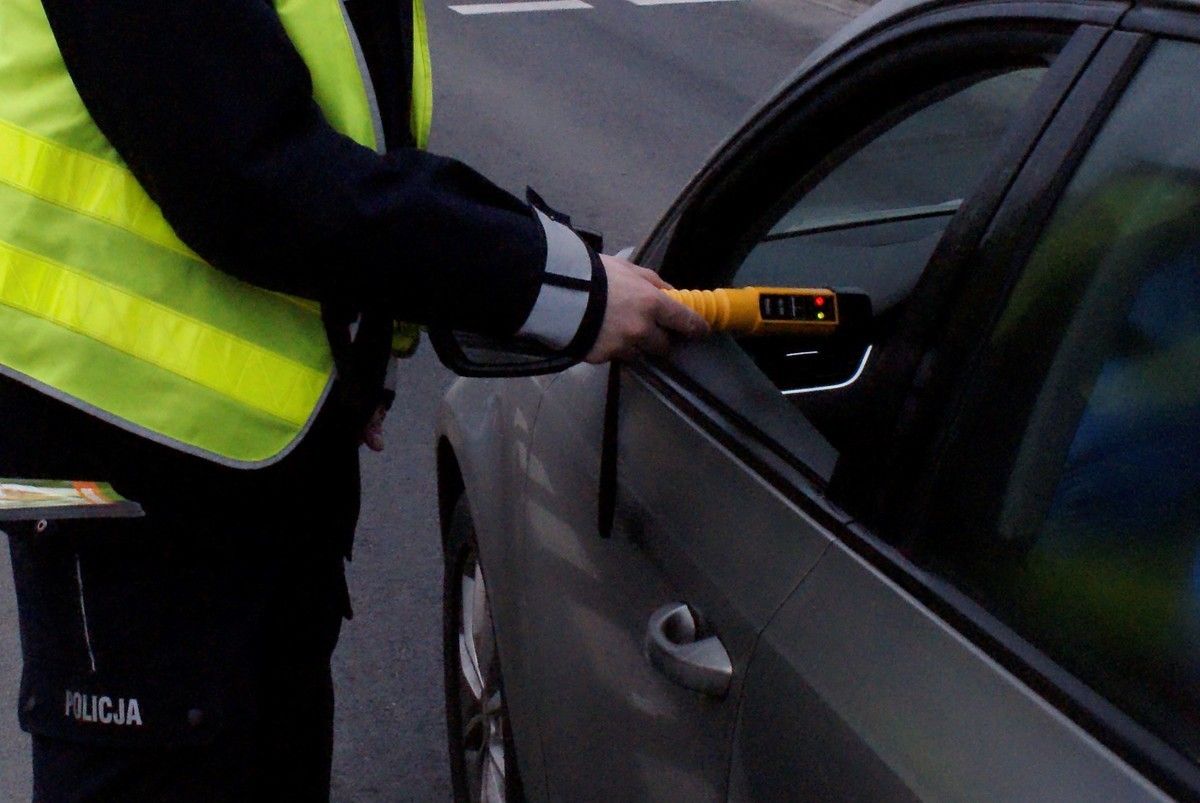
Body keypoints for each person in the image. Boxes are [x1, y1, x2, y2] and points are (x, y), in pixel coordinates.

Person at [0, 0, 708, 799]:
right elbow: (248, 178)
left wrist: (366, 359)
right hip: (117, 459)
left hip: (244, 462)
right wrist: (553, 284)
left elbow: (348, 135)